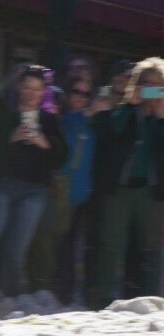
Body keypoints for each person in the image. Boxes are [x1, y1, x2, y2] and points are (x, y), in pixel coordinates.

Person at [0, 66, 68, 304]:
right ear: (19, 88)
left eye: (37, 88)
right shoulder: (3, 113)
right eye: (27, 87)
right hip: (0, 186)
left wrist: (46, 143)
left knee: (17, 247)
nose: (32, 93)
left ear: (44, 91)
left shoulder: (49, 120)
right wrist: (11, 138)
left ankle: (9, 299)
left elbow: (62, 156)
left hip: (34, 191)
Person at [85, 58, 164, 308]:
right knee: (110, 244)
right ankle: (103, 302)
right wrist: (132, 104)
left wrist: (161, 118)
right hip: (119, 189)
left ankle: (149, 300)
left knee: (150, 248)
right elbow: (111, 131)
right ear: (134, 84)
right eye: (144, 83)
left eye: (156, 84)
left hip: (150, 192)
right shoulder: (120, 110)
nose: (150, 88)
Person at [53, 76, 97, 304]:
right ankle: (57, 292)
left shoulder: (93, 122)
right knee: (60, 243)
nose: (79, 97)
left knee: (73, 245)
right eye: (76, 91)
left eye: (85, 94)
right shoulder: (61, 118)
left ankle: (67, 293)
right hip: (59, 191)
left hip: (83, 193)